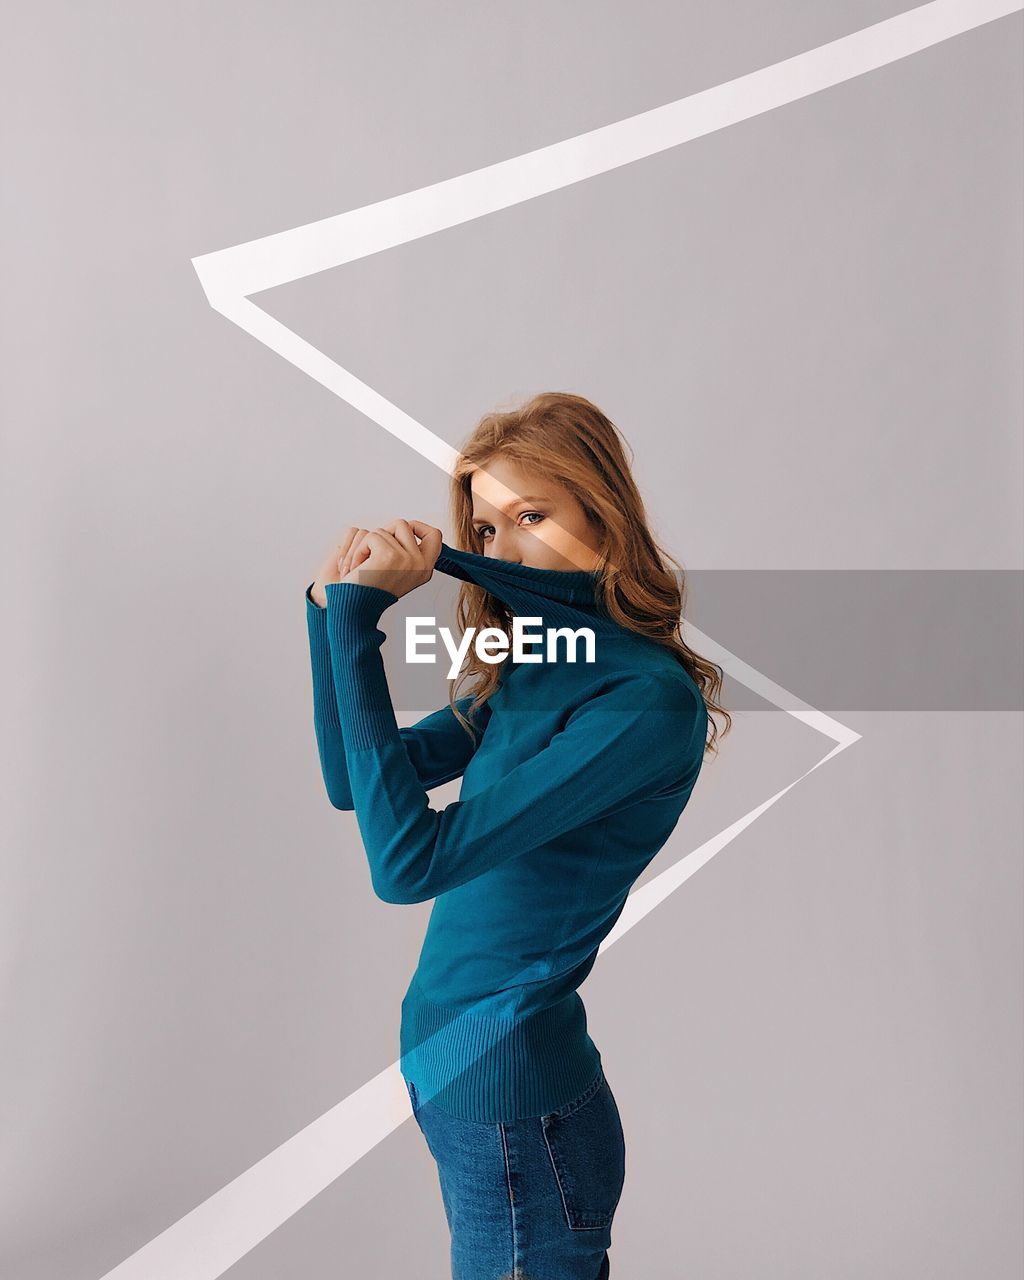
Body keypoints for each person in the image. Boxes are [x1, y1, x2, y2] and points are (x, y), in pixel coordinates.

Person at [305, 391, 729, 1280]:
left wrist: (353, 625)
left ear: (604, 522)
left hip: (515, 1108)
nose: (499, 549)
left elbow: (407, 863)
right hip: (463, 1080)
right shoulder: (532, 669)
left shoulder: (641, 702)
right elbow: (355, 782)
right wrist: (329, 618)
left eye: (531, 515)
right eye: (487, 530)